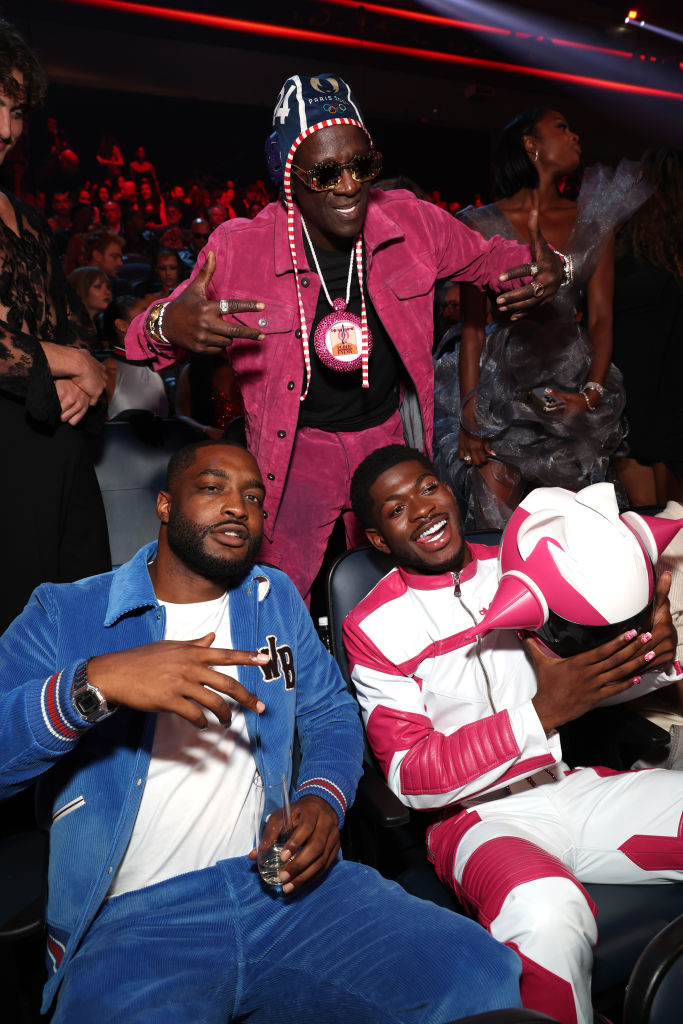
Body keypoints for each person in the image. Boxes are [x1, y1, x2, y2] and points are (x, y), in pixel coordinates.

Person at [0, 439, 525, 1023]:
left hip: (280, 889)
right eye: (212, 488)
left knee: (480, 975)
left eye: (253, 497)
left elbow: (329, 713)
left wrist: (322, 798)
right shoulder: (66, 613)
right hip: (137, 920)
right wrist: (92, 685)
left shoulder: (273, 602)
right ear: (166, 505)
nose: (237, 507)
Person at [126, 73, 567, 604]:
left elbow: (491, 259)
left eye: (361, 165)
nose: (348, 184)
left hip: (385, 439)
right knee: (276, 596)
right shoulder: (240, 248)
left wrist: (547, 268)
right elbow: (139, 341)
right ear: (289, 177)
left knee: (409, 588)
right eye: (325, 172)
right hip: (296, 453)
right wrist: (164, 325)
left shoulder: (410, 222)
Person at [343, 444, 683, 1024]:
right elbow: (410, 777)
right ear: (378, 539)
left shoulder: (520, 562)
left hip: (570, 786)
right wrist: (539, 714)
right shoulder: (371, 627)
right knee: (546, 915)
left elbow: (587, 680)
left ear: (449, 491)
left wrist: (651, 660)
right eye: (396, 508)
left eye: (428, 488)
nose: (422, 509)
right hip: (475, 822)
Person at [434, 108, 652, 530]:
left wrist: (590, 394)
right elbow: (473, 329)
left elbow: (602, 320)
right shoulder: (481, 224)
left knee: (571, 527)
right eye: (562, 128)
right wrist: (470, 414)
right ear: (530, 144)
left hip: (567, 387)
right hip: (499, 390)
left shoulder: (593, 224)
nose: (575, 136)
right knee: (493, 524)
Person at [0, 19, 110, 634]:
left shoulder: (32, 221)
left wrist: (85, 379)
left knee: (75, 648)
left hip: (60, 457)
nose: (6, 130)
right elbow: (75, 353)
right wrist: (71, 365)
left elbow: (82, 334)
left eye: (15, 109)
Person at [612, 147, 683, 508]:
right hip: (657, 436)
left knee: (655, 540)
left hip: (639, 433)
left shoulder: (626, 268)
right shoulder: (660, 271)